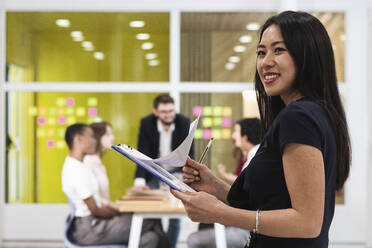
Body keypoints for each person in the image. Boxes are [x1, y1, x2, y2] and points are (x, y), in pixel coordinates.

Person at [172, 11, 351, 248]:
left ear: (307, 55)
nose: (265, 62)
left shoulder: (298, 117)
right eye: (261, 52)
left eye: (278, 50)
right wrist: (215, 188)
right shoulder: (313, 113)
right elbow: (273, 204)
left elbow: (307, 222)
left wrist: (219, 213)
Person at [62, 123, 169, 247]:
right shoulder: (76, 170)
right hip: (91, 228)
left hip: (94, 224)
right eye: (91, 137)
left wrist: (122, 213)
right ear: (78, 139)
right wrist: (119, 213)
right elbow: (95, 209)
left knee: (150, 238)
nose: (94, 141)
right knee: (151, 220)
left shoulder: (78, 165)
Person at [187, 118, 261, 248]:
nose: (233, 135)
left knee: (194, 239)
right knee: (204, 224)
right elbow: (245, 198)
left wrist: (217, 209)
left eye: (236, 132)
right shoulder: (251, 156)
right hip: (247, 223)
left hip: (248, 229)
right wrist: (215, 184)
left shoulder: (255, 158)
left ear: (245, 136)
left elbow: (250, 204)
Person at [132, 93, 194, 248]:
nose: (168, 115)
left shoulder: (183, 122)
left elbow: (188, 153)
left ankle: (170, 246)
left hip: (176, 172)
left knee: (175, 215)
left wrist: (186, 177)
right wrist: (139, 180)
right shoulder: (147, 123)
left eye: (171, 111)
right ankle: (160, 244)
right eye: (164, 112)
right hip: (154, 171)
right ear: (156, 112)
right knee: (153, 212)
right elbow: (142, 152)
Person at [218, 118, 261, 184]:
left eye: (235, 131)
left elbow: (246, 184)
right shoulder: (254, 154)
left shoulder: (255, 156)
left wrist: (225, 175)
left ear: (245, 137)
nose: (233, 136)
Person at [84, 121, 115, 207]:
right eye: (108, 135)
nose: (112, 137)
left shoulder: (98, 162)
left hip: (105, 212)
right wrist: (115, 207)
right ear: (97, 137)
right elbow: (92, 198)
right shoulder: (88, 162)